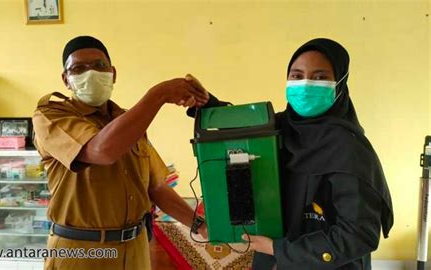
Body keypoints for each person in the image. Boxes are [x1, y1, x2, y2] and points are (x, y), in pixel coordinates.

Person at [187, 38, 393, 270]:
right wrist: (206, 104)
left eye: (319, 77)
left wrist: (280, 250)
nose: (305, 85)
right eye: (296, 76)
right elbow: (243, 130)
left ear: (340, 83)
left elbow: (358, 235)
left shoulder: (349, 149)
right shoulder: (280, 129)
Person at [32, 35, 208, 270]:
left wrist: (199, 226)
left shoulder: (128, 121)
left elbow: (155, 187)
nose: (91, 73)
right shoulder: (50, 116)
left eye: (99, 65)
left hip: (135, 249)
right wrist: (159, 94)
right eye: (78, 68)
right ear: (66, 79)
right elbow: (101, 150)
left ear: (113, 73)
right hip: (81, 252)